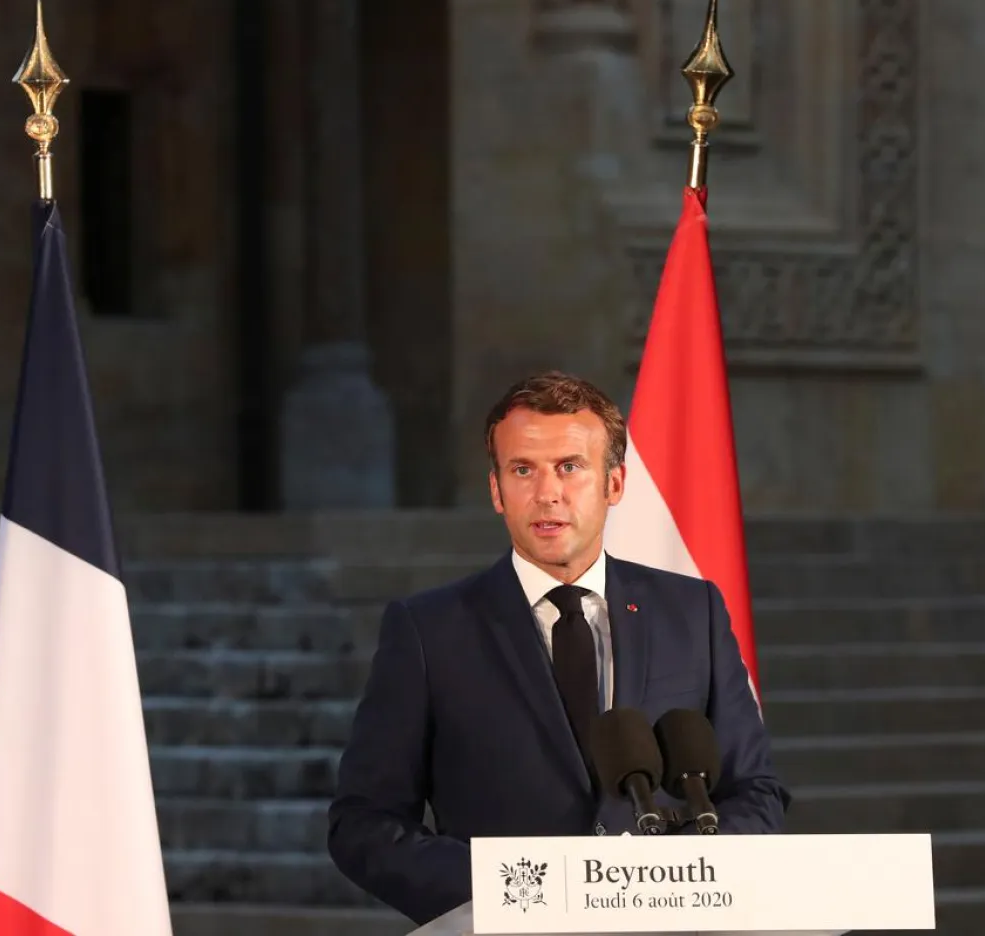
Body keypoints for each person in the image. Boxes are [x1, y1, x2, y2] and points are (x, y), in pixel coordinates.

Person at [326, 371, 788, 925]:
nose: (547, 493)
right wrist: (512, 889)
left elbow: (754, 790)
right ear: (497, 490)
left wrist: (690, 880)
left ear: (614, 484)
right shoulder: (428, 630)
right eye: (523, 470)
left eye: (570, 467)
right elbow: (364, 824)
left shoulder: (693, 611)